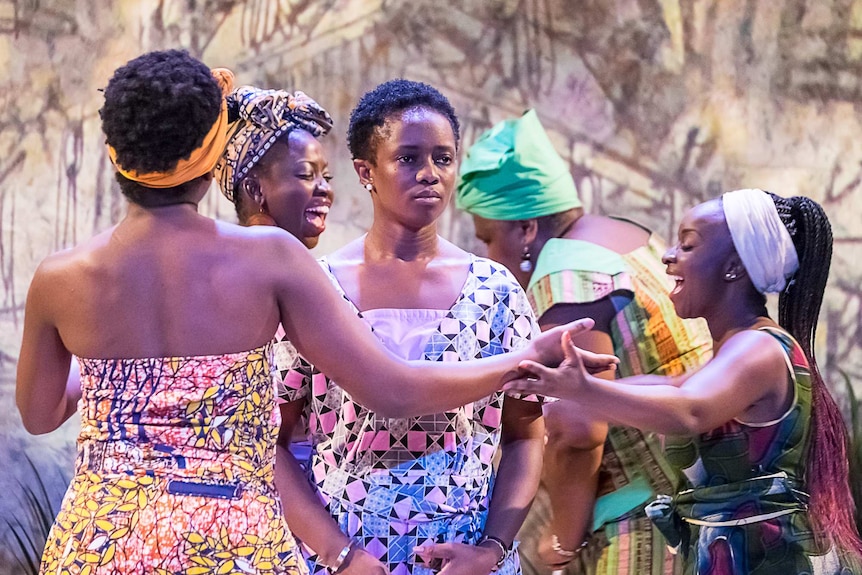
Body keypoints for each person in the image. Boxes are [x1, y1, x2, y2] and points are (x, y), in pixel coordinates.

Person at [15, 51, 613, 575]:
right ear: (212, 150)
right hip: (230, 543)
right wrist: (518, 364)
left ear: (115, 152)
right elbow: (395, 391)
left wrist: (119, 376)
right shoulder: (270, 259)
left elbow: (41, 413)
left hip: (100, 540)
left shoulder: (60, 279)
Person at [505, 188, 862, 574]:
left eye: (688, 246)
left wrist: (581, 388)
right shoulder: (733, 352)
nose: (668, 255)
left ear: (733, 268)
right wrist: (555, 383)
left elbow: (689, 411)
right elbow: (667, 387)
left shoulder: (758, 350)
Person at [275, 79, 546, 575]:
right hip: (346, 558)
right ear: (366, 171)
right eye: (408, 159)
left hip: (466, 561)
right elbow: (275, 442)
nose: (429, 174)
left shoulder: (495, 291)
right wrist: (339, 554)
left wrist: (492, 549)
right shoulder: (317, 289)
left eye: (443, 159)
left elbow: (525, 436)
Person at [456, 109, 713, 575]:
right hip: (696, 506)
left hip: (644, 531)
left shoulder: (564, 268)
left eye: (488, 238)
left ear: (526, 229)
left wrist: (566, 541)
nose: (487, 256)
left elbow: (577, 431)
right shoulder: (625, 236)